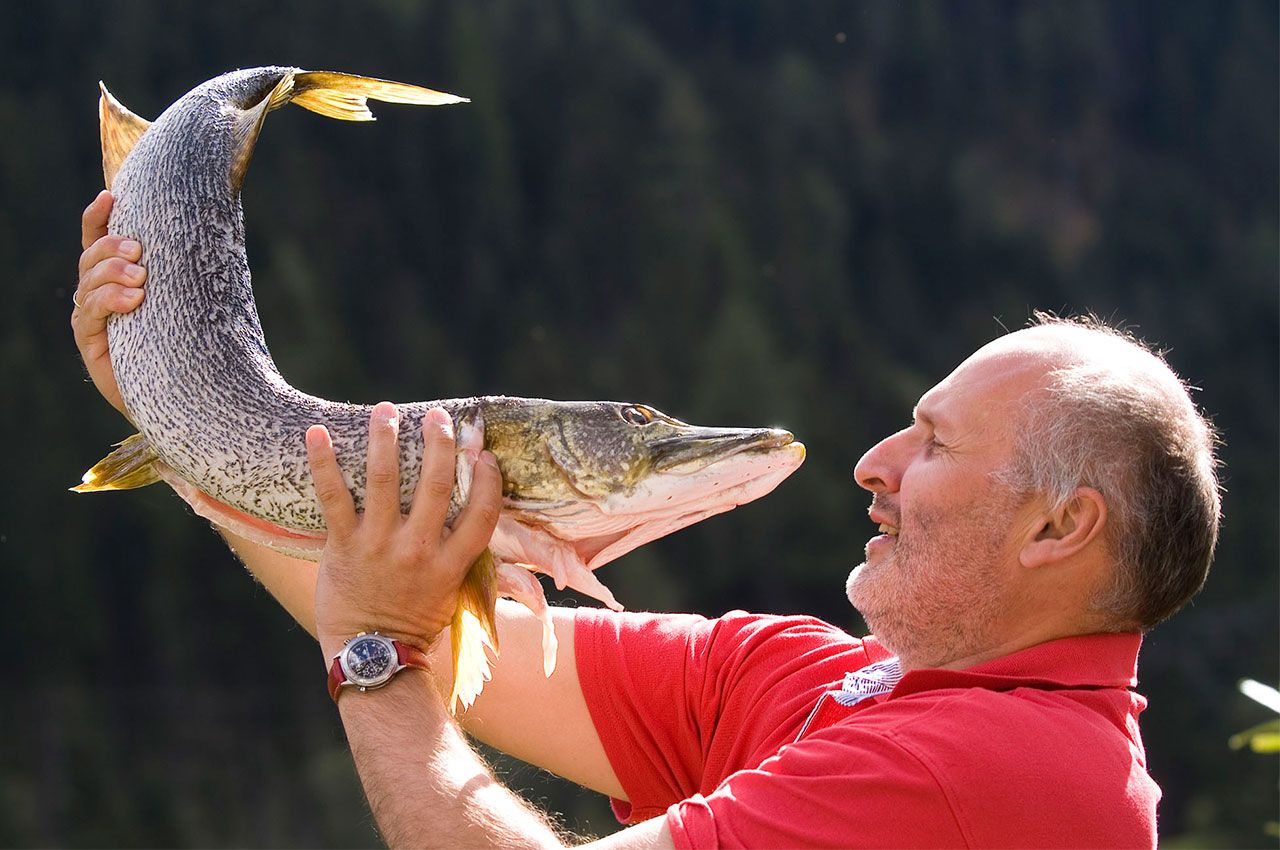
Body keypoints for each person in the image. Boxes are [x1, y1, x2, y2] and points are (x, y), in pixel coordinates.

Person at [74, 191, 1221, 849]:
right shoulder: (815, 678)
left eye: (933, 442)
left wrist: (374, 663)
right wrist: (188, 423)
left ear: (1057, 529)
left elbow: (399, 642)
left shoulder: (996, 768)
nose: (872, 462)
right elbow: (482, 655)